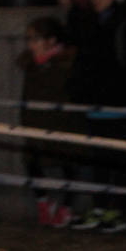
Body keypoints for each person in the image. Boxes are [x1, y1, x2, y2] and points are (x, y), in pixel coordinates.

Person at [66, 0, 126, 232]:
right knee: (98, 158)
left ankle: (117, 208)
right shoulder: (90, 22)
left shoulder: (124, 26)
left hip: (117, 102)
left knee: (117, 159)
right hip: (94, 101)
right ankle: (101, 206)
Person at [17, 16, 81, 227]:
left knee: (69, 164)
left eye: (36, 39)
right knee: (32, 162)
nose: (31, 45)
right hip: (35, 122)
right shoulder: (31, 66)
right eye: (29, 40)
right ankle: (44, 203)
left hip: (62, 123)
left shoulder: (65, 65)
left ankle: (67, 208)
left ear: (52, 41)